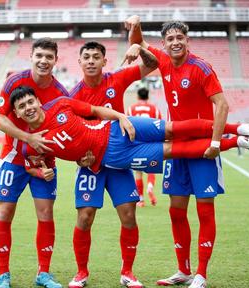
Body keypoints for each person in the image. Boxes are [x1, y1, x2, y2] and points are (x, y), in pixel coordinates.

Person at [124, 15, 249, 288]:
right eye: (170, 39)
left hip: (203, 149)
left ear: (187, 40)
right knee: (176, 210)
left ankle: (202, 273)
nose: (175, 43)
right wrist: (135, 27)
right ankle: (183, 270)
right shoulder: (161, 60)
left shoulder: (201, 67)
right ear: (164, 43)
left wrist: (217, 143)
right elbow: (137, 40)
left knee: (205, 210)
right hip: (177, 149)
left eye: (179, 38)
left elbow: (221, 105)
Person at [0, 38, 84, 288]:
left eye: (49, 56)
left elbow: (71, 129)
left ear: (55, 60)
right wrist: (27, 137)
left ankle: (43, 273)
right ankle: (3, 275)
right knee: (5, 212)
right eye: (39, 55)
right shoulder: (15, 82)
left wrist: (80, 155)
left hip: (45, 163)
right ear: (31, 57)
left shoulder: (60, 93)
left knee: (45, 213)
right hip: (13, 157)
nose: (43, 60)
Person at [67, 41, 158, 288]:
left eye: (96, 56)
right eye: (86, 56)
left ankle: (127, 272)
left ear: (104, 61)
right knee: (85, 217)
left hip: (119, 159)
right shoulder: (73, 95)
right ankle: (81, 272)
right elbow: (69, 133)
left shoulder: (116, 79)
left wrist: (139, 47)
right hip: (91, 164)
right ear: (80, 62)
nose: (91, 60)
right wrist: (78, 157)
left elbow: (153, 64)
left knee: (129, 215)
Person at [11, 86, 249, 175]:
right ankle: (237, 143)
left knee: (175, 129)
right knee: (174, 150)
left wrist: (120, 116)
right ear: (19, 115)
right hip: (112, 156)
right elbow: (38, 164)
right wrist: (79, 162)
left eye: (30, 102)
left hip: (117, 127)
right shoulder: (30, 142)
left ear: (38, 101)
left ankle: (239, 128)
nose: (28, 108)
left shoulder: (61, 104)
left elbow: (96, 110)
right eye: (22, 107)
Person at [127, 87, 162, 207]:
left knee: (138, 172)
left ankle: (140, 199)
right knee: (152, 169)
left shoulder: (131, 109)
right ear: (148, 97)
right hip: (151, 143)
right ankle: (150, 187)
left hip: (137, 144)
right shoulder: (155, 109)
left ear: (137, 97)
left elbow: (127, 126)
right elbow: (160, 126)